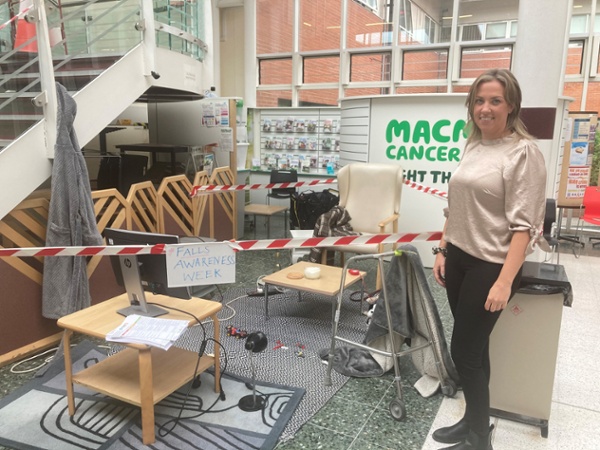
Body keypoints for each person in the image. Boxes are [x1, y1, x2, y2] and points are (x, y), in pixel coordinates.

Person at [431, 69, 547, 450]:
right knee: (475, 350)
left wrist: (503, 280)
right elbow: (456, 208)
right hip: (461, 258)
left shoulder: (523, 152)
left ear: (510, 105)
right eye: (479, 101)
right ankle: (472, 422)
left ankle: (480, 439)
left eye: (495, 100)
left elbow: (524, 227)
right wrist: (443, 249)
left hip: (491, 266)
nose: (485, 108)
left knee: (462, 353)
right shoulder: (475, 145)